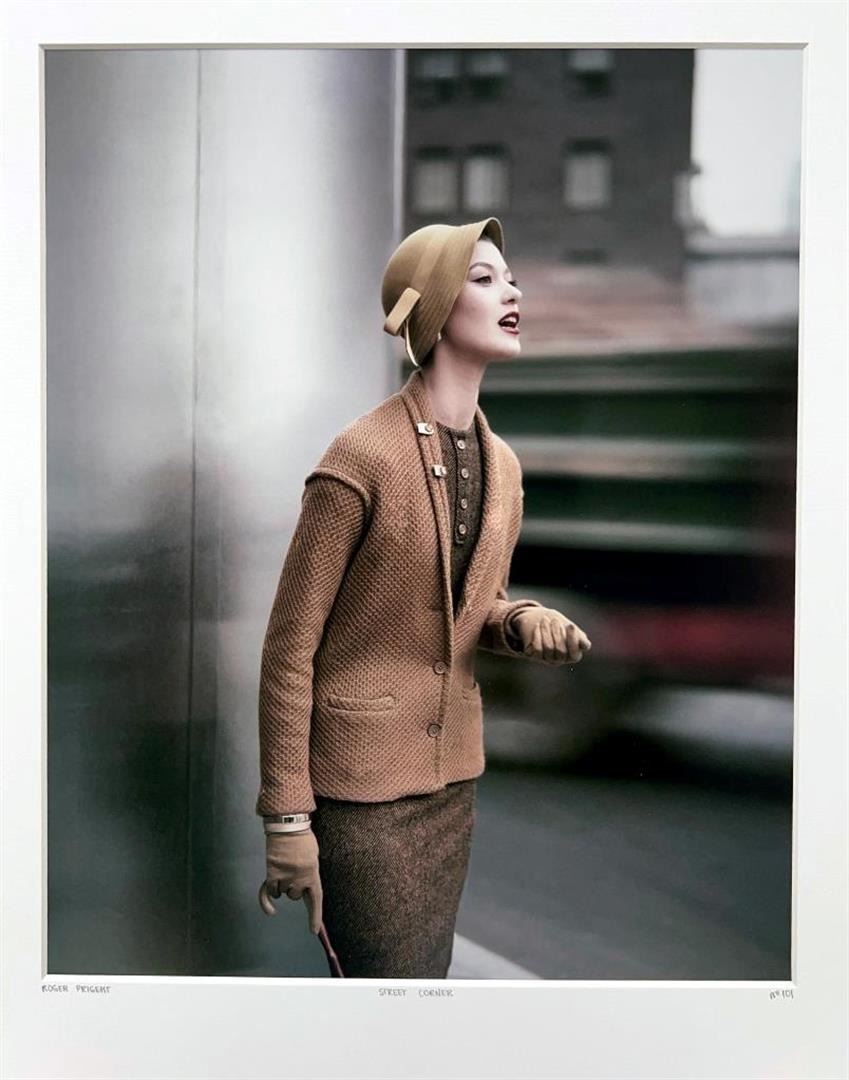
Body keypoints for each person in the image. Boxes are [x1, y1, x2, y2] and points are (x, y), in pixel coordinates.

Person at [256, 217, 592, 979]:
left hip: (451, 784)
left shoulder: (503, 464)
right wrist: (286, 818)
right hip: (360, 795)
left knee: (420, 986)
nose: (511, 293)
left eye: (511, 279)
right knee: (390, 996)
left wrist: (522, 621)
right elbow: (287, 651)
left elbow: (476, 606)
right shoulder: (359, 457)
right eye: (483, 279)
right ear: (432, 305)